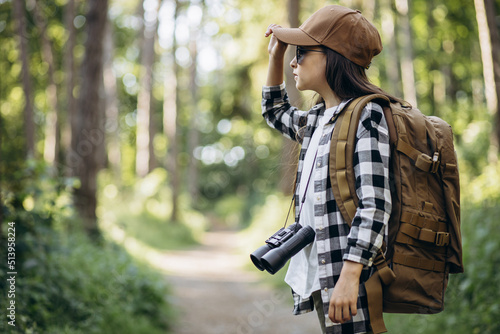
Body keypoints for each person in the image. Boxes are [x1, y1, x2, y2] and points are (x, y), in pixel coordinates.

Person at [261, 5, 401, 334]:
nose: (294, 62)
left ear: (331, 56)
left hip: (348, 271)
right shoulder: (317, 119)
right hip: (324, 271)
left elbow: (375, 203)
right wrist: (275, 57)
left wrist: (351, 275)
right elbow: (273, 110)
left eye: (302, 52)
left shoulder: (366, 116)